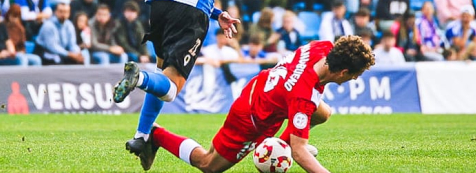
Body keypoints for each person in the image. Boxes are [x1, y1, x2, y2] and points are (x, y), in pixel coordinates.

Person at [113, 0, 259, 169]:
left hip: (158, 0)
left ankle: (141, 137)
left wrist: (217, 14)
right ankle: (139, 77)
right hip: (189, 10)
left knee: (163, 74)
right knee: (170, 89)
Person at [149, 37, 374, 173]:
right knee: (208, 164)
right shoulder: (302, 97)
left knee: (322, 113)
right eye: (354, 76)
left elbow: (302, 82)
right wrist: (298, 150)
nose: (353, 80)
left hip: (267, 88)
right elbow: (300, 153)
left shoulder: (323, 47)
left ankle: (276, 147)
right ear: (343, 72)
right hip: (250, 117)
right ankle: (156, 134)